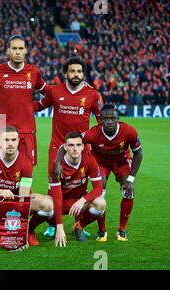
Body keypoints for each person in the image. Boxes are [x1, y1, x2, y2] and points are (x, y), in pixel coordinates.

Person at [33, 57, 103, 239]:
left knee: (80, 186)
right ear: (65, 73)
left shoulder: (92, 95)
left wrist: (90, 139)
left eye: (79, 71)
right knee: (56, 185)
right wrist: (15, 106)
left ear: (83, 74)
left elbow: (101, 121)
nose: (76, 74)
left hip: (81, 149)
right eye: (72, 71)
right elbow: (38, 106)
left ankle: (79, 224)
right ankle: (52, 224)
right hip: (57, 148)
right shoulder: (55, 92)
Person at [60, 104, 142, 241]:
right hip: (100, 162)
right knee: (101, 190)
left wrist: (131, 180)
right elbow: (69, 144)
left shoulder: (129, 131)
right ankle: (101, 231)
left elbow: (138, 153)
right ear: (100, 119)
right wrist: (57, 162)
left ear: (118, 118)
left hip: (121, 161)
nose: (109, 121)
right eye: (106, 118)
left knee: (129, 191)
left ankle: (122, 230)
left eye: (113, 118)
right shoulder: (92, 133)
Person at [0, 125, 54, 247]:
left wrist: (19, 231)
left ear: (18, 141)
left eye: (13, 140)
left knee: (48, 204)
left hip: (19, 200)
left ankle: (29, 231)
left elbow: (24, 193)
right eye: (6, 140)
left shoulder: (26, 161)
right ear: (0, 142)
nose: (10, 144)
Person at [0, 35, 50, 167]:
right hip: (3, 129)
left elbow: (50, 93)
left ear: (25, 50)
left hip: (27, 130)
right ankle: (1, 189)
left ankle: (25, 189)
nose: (17, 52)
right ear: (8, 50)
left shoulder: (33, 71)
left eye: (20, 48)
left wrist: (35, 106)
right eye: (14, 48)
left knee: (27, 170)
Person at [39, 131, 106, 246]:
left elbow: (99, 188)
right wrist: (60, 226)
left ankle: (79, 227)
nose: (75, 149)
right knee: (45, 206)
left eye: (78, 145)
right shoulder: (56, 166)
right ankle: (42, 228)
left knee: (101, 203)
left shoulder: (90, 160)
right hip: (57, 203)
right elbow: (57, 197)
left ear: (83, 147)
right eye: (71, 145)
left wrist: (83, 200)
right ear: (65, 147)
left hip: (77, 202)